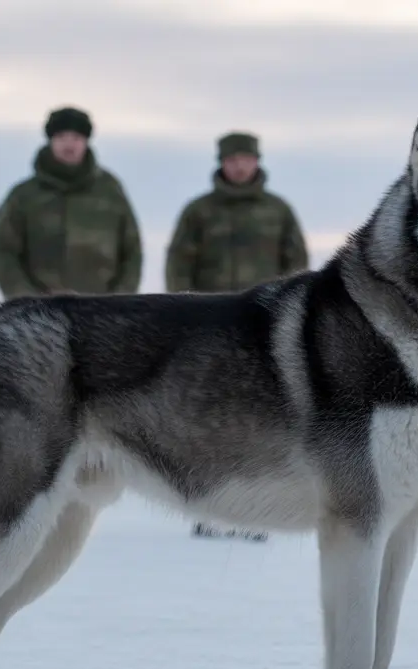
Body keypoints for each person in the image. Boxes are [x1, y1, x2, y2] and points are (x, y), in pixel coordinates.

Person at [165, 131, 309, 541]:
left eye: (245, 159)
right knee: (205, 415)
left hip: (265, 329)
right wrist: (184, 315)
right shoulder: (199, 211)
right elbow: (179, 264)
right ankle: (208, 506)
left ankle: (257, 507)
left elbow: (297, 266)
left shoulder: (278, 211)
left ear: (256, 161)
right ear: (222, 163)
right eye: (232, 160)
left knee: (265, 417)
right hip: (208, 331)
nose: (239, 166)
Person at [0, 106, 142, 299]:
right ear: (51, 141)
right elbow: (3, 251)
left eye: (76, 138)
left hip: (102, 309)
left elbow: (132, 250)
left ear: (86, 141)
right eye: (62, 138)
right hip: (41, 310)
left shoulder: (110, 192)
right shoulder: (24, 196)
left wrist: (120, 300)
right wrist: (24, 299)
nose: (69, 145)